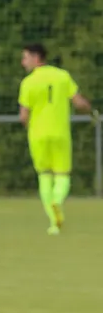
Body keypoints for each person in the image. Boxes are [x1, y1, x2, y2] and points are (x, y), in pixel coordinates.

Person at [18, 42, 97, 235]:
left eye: (25, 57)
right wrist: (92, 112)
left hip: (37, 136)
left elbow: (23, 116)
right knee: (62, 175)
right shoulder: (62, 76)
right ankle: (57, 203)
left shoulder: (28, 82)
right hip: (60, 133)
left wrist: (29, 127)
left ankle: (54, 223)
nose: (23, 62)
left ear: (37, 58)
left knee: (44, 175)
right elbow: (78, 102)